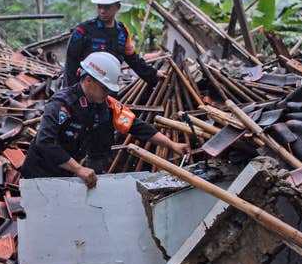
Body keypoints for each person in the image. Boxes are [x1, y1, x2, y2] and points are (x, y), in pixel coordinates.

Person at [21, 52, 187, 188]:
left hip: (66, 175)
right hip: (39, 174)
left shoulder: (106, 105)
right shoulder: (62, 104)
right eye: (105, 88)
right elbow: (45, 142)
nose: (108, 92)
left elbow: (137, 127)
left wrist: (173, 145)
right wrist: (78, 169)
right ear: (88, 80)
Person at [63, 0, 165, 89]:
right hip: (85, 92)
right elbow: (70, 66)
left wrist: (153, 74)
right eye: (99, 6)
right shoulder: (83, 31)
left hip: (109, 91)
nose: (102, 11)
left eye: (107, 7)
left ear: (118, 7)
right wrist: (70, 95)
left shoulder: (123, 32)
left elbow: (133, 60)